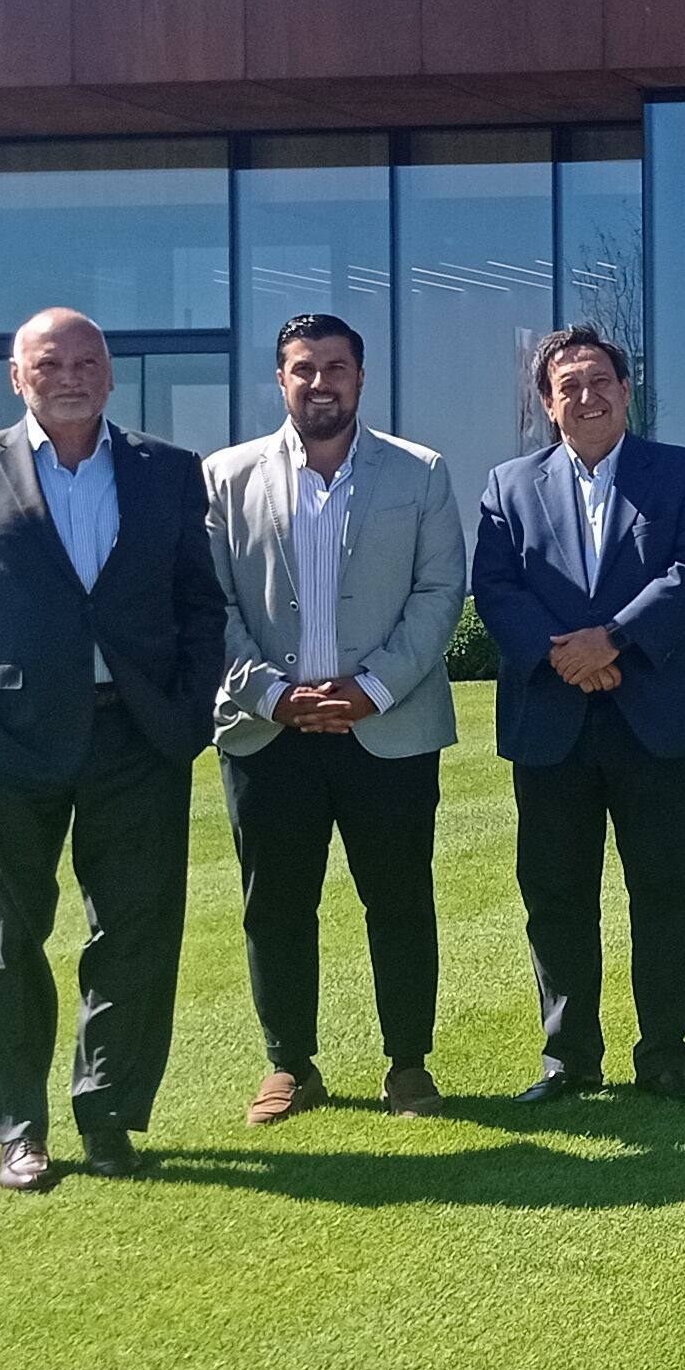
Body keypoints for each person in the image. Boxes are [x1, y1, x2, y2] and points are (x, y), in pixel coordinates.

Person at [0, 306, 224, 1192]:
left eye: (87, 360)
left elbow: (201, 604)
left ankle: (108, 1111)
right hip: (5, 739)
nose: (71, 374)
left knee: (136, 933)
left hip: (138, 735)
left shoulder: (167, 471)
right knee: (7, 939)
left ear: (111, 374)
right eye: (51, 361)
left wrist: (190, 712)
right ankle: (20, 1129)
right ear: (18, 377)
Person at [201, 312, 469, 1125]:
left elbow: (439, 592)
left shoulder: (419, 473)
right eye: (303, 368)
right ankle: (290, 1065)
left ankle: (409, 1065)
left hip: (385, 728)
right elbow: (206, 604)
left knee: (399, 898)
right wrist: (273, 694)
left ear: (361, 376)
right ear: (280, 379)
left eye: (336, 368)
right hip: (267, 731)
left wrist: (373, 688)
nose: (321, 382)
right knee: (276, 902)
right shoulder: (225, 476)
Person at [470, 325, 685, 1105]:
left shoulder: (681, 473)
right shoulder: (506, 485)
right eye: (568, 386)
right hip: (552, 720)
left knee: (668, 891)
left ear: (626, 390)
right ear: (548, 405)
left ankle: (664, 1060)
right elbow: (497, 588)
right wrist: (564, 656)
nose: (586, 396)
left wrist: (611, 640)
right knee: (555, 896)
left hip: (653, 714)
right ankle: (569, 1059)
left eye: (599, 381)